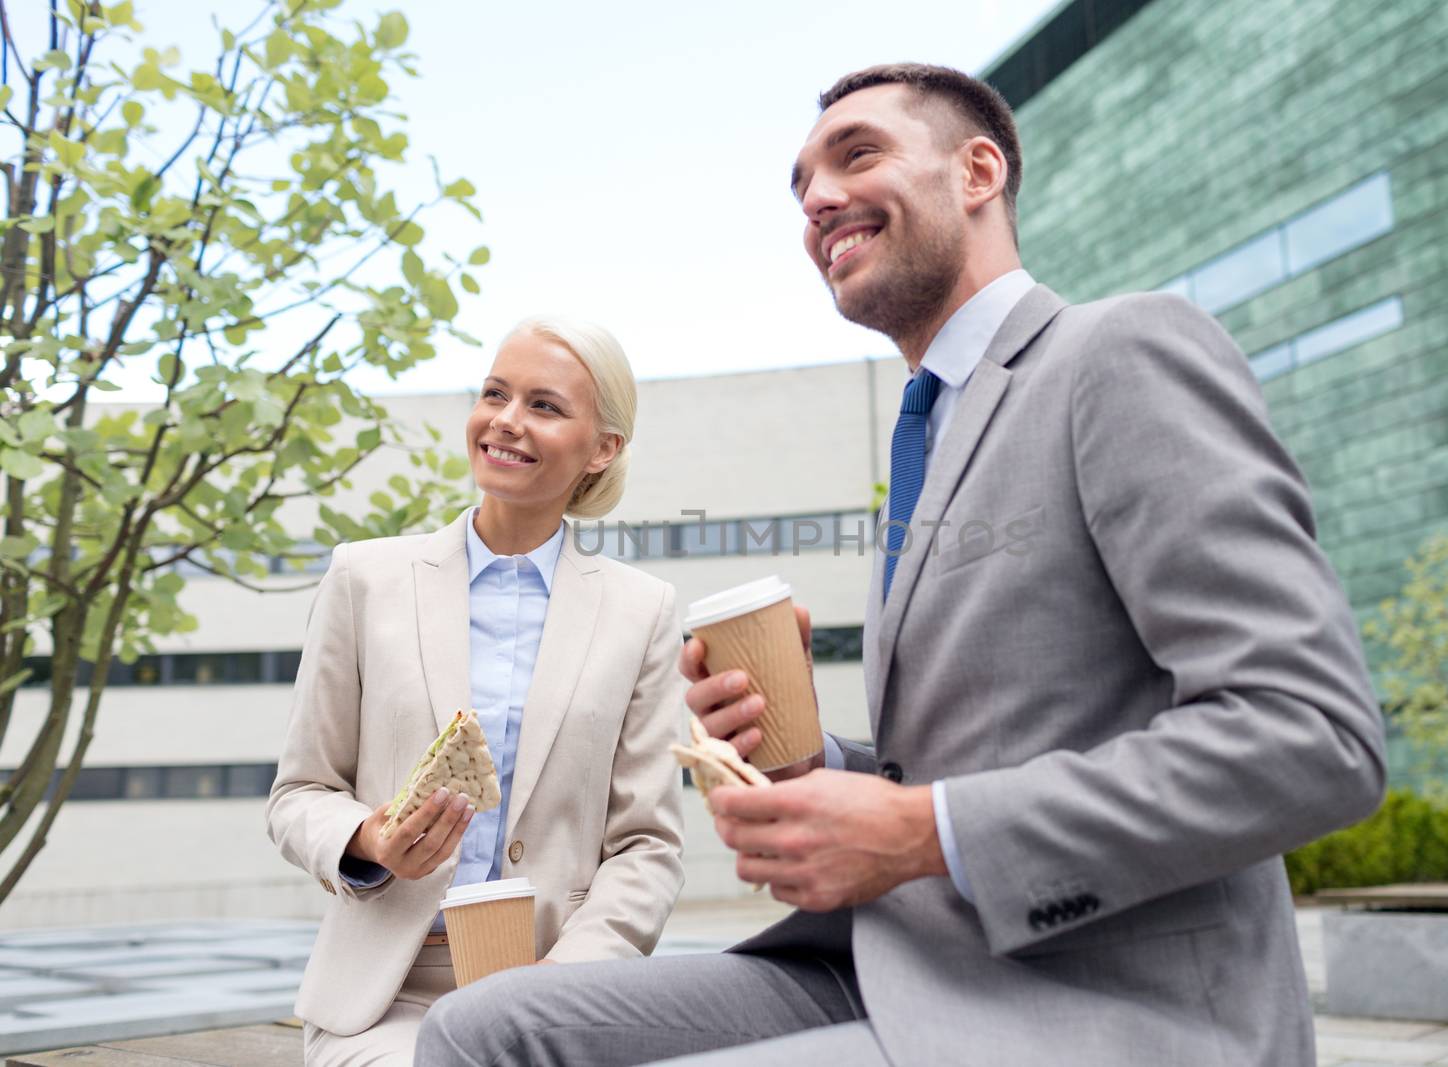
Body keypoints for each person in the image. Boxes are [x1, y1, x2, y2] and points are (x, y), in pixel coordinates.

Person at [418, 63, 1386, 1066]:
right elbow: (961, 762)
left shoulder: (1116, 352)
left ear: (977, 172)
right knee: (479, 1024)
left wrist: (922, 830)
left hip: (1100, 1000)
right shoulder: (931, 428)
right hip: (900, 960)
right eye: (799, 185)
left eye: (856, 154)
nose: (817, 199)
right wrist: (811, 766)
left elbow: (1313, 736)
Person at [266, 316, 686, 1065]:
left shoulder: (644, 612)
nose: (505, 421)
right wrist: (370, 840)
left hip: (557, 991)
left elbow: (646, 844)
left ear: (603, 448)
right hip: (386, 997)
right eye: (495, 393)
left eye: (545, 406)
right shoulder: (364, 578)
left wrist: (564, 981)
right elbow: (301, 792)